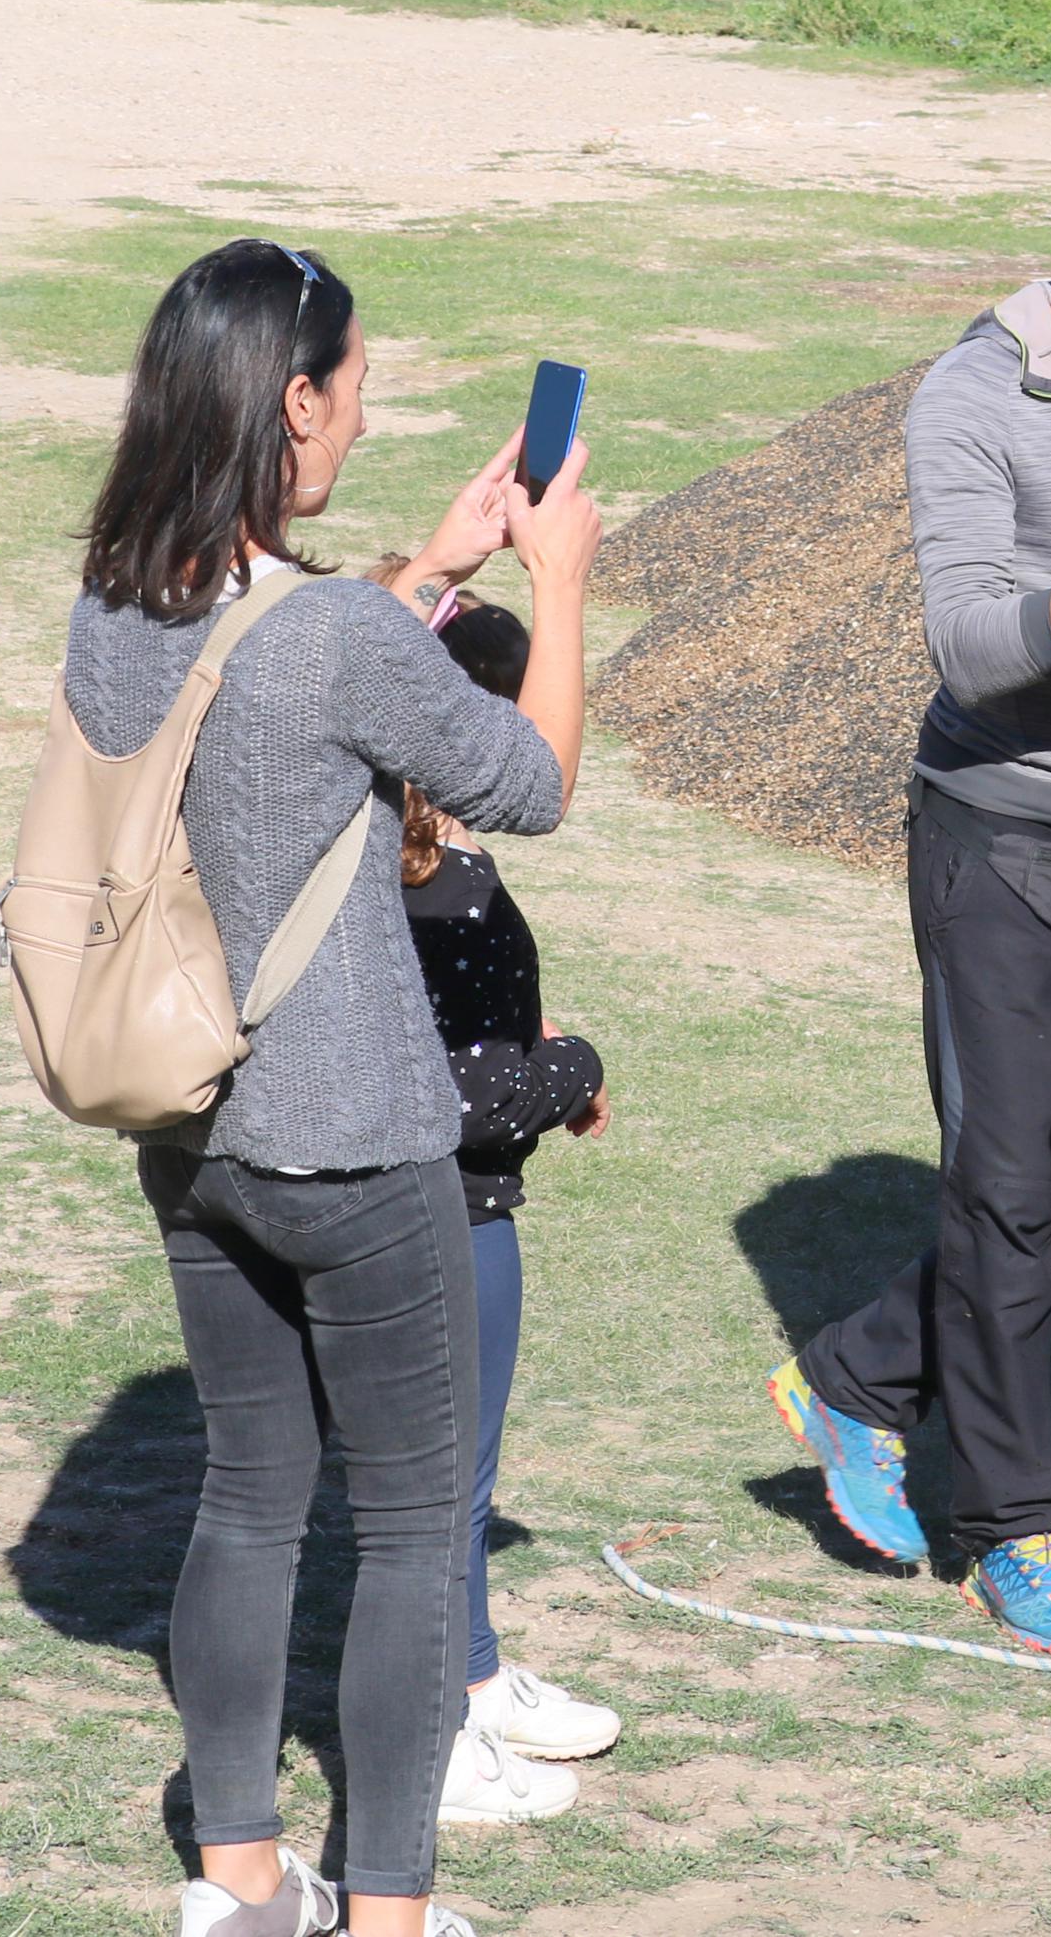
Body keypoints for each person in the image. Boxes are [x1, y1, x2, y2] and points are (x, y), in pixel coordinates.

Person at [61, 241, 600, 1937]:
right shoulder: (334, 643)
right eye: (354, 384)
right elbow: (532, 782)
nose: (365, 416)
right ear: (291, 400)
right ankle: (389, 1909)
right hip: (357, 1136)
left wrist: (434, 565)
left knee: (244, 1497)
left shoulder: (119, 601)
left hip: (190, 1127)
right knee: (410, 1528)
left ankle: (235, 1876)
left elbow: (276, 693)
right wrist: (559, 583)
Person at [767, 121, 1051, 1657]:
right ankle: (1008, 1527)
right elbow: (968, 642)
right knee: (1004, 1188)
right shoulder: (973, 394)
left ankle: (850, 1375)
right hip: (1002, 832)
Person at [388, 588, 621, 1828]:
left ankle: (471, 1676)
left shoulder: (420, 858)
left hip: (457, 1204)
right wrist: (572, 1067)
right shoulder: (441, 887)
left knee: (452, 1476)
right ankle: (437, 1730)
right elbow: (467, 1093)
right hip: (449, 1216)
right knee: (442, 1482)